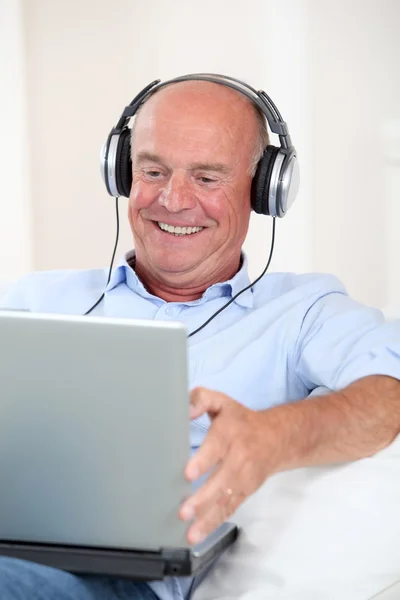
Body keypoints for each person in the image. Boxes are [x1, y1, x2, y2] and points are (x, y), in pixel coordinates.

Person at [1, 75, 400, 600]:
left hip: (122, 585)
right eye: (153, 170)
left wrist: (272, 436)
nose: (172, 199)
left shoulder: (304, 311)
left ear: (264, 191)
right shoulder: (30, 302)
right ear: (121, 173)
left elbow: (388, 395)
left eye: (208, 178)